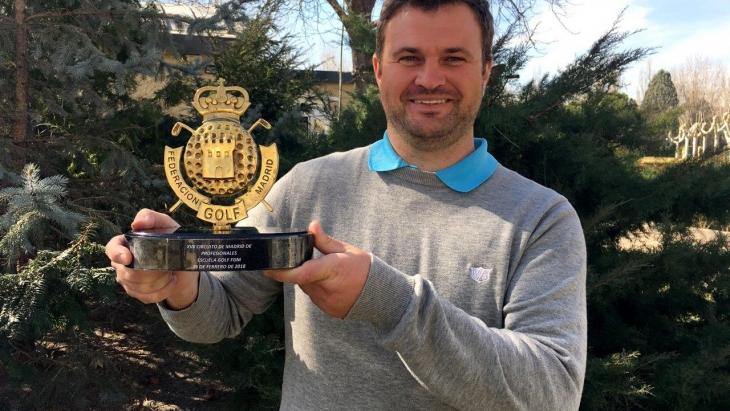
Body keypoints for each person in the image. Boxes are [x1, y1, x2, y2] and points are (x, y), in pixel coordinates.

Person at [106, 0, 587, 409]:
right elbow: (219, 313)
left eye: (455, 58)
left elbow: (553, 390)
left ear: (486, 71)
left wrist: (389, 301)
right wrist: (178, 279)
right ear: (377, 69)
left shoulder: (542, 220)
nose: (429, 78)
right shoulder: (306, 186)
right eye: (409, 56)